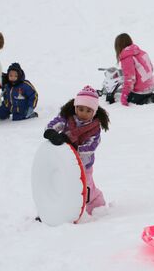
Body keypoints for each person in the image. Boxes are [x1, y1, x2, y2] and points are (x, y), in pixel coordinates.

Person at [43, 86, 110, 215]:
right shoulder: (67, 118)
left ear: (94, 112)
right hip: (63, 163)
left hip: (84, 166)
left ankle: (97, 208)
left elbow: (91, 147)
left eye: (88, 110)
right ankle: (55, 210)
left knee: (86, 190)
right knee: (61, 187)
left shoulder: (94, 128)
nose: (84, 113)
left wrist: (73, 147)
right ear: (75, 107)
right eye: (80, 109)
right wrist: (51, 133)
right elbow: (54, 124)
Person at [114, 33, 154, 106]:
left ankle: (146, 99)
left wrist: (124, 96)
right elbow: (151, 68)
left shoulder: (126, 58)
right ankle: (149, 96)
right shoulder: (141, 52)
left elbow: (130, 79)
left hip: (141, 91)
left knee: (121, 95)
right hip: (151, 85)